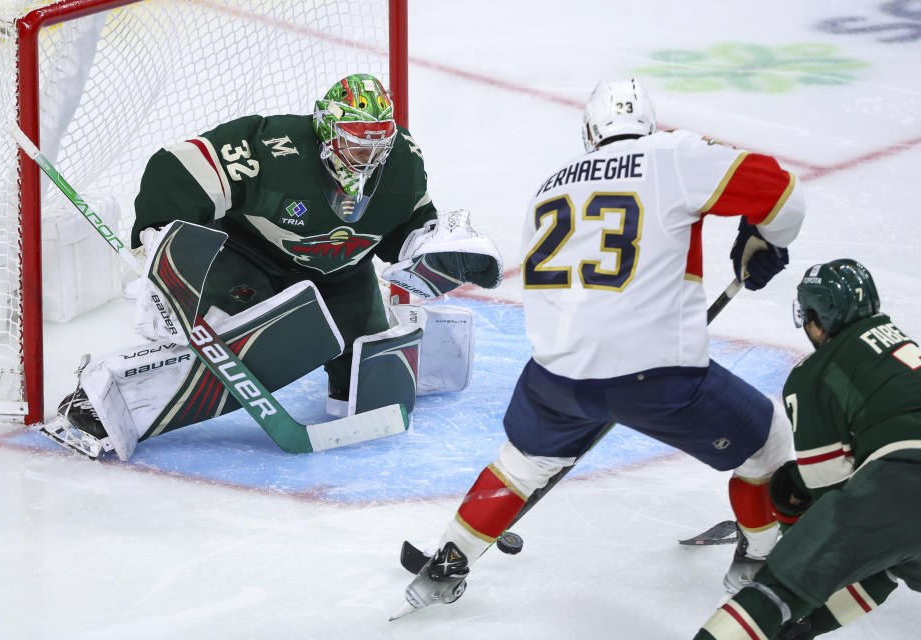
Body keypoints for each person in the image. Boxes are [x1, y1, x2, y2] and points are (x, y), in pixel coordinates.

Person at [392, 77, 806, 618]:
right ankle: (758, 563)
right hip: (656, 376)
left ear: (590, 131)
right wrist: (766, 237)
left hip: (553, 377)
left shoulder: (550, 183)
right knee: (769, 439)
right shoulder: (673, 154)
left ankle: (451, 558)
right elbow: (781, 191)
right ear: (648, 124)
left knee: (521, 465)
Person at [41, 73, 502, 460]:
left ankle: (344, 383)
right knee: (239, 351)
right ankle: (97, 402)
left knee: (373, 373)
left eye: (378, 145)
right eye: (357, 146)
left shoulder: (401, 160)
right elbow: (176, 168)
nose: (370, 159)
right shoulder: (268, 147)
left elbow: (407, 222)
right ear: (327, 129)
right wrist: (160, 241)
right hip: (250, 260)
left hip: (344, 274)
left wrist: (429, 242)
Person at [693, 259, 921, 640]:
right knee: (889, 553)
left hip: (902, 484)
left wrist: (794, 527)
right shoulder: (898, 341)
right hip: (901, 509)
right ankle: (808, 625)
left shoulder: (816, 373)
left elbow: (827, 488)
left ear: (819, 318)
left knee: (775, 590)